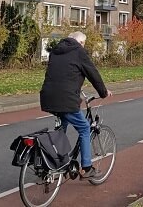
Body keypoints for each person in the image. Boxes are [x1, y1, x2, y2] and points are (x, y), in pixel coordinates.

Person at [40, 31, 112, 179]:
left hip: (48, 97)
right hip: (66, 98)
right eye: (84, 43)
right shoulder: (79, 52)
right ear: (80, 42)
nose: (84, 45)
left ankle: (57, 162)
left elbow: (62, 74)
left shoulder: (55, 51)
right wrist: (103, 92)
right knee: (85, 128)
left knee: (61, 129)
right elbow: (93, 74)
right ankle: (86, 167)